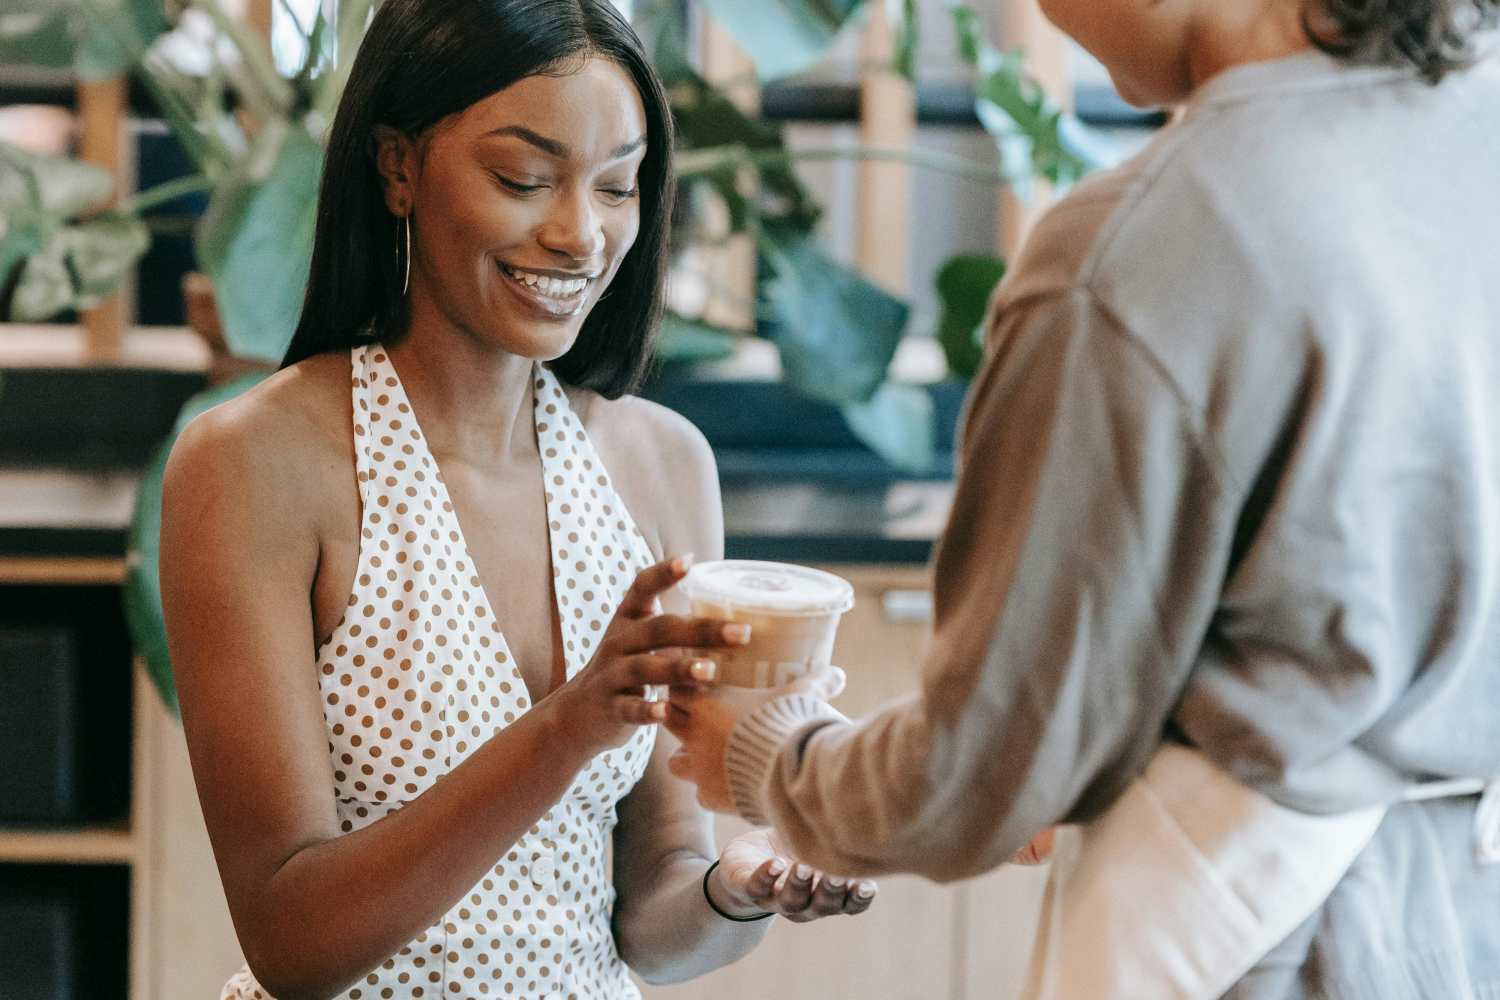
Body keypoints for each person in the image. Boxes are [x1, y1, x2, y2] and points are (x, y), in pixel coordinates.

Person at [665, 0, 1500, 996]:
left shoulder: (1140, 251)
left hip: (1272, 942)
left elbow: (977, 774)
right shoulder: (1470, 134)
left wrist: (771, 754)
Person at [159, 2, 877, 998]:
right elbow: (295, 941)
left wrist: (739, 886)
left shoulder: (661, 465)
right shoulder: (257, 462)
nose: (580, 234)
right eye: (523, 178)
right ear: (398, 167)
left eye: (618, 186)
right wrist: (568, 726)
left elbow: (655, 920)